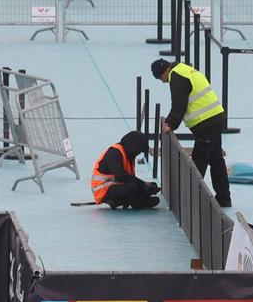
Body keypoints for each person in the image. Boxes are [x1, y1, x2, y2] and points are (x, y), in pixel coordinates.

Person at [151, 58, 231, 206]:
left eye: (161, 78)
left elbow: (179, 103)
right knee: (216, 160)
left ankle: (190, 200)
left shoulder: (176, 75)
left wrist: (171, 124)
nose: (163, 82)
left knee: (199, 161)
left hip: (206, 122)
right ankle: (224, 198)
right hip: (216, 117)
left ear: (165, 71)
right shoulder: (184, 69)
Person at [90, 131, 160, 209]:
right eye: (139, 150)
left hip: (118, 185)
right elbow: (121, 177)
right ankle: (137, 202)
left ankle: (133, 199)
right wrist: (143, 184)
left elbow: (130, 178)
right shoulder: (114, 153)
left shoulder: (129, 156)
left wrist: (146, 186)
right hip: (104, 191)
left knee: (152, 185)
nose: (139, 153)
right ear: (133, 146)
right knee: (133, 187)